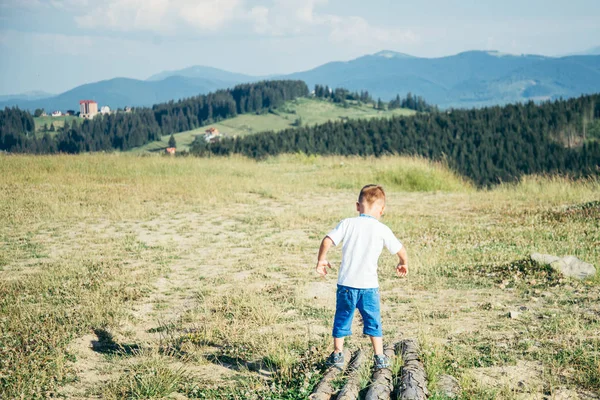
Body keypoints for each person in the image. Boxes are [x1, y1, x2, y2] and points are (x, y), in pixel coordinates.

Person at [316, 184, 408, 370]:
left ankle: (337, 354)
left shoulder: (347, 223)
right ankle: (379, 357)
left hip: (346, 285)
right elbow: (400, 249)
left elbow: (327, 240)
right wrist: (403, 262)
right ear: (382, 210)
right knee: (373, 320)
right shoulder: (382, 229)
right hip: (369, 287)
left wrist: (321, 260)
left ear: (358, 206)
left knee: (342, 317)